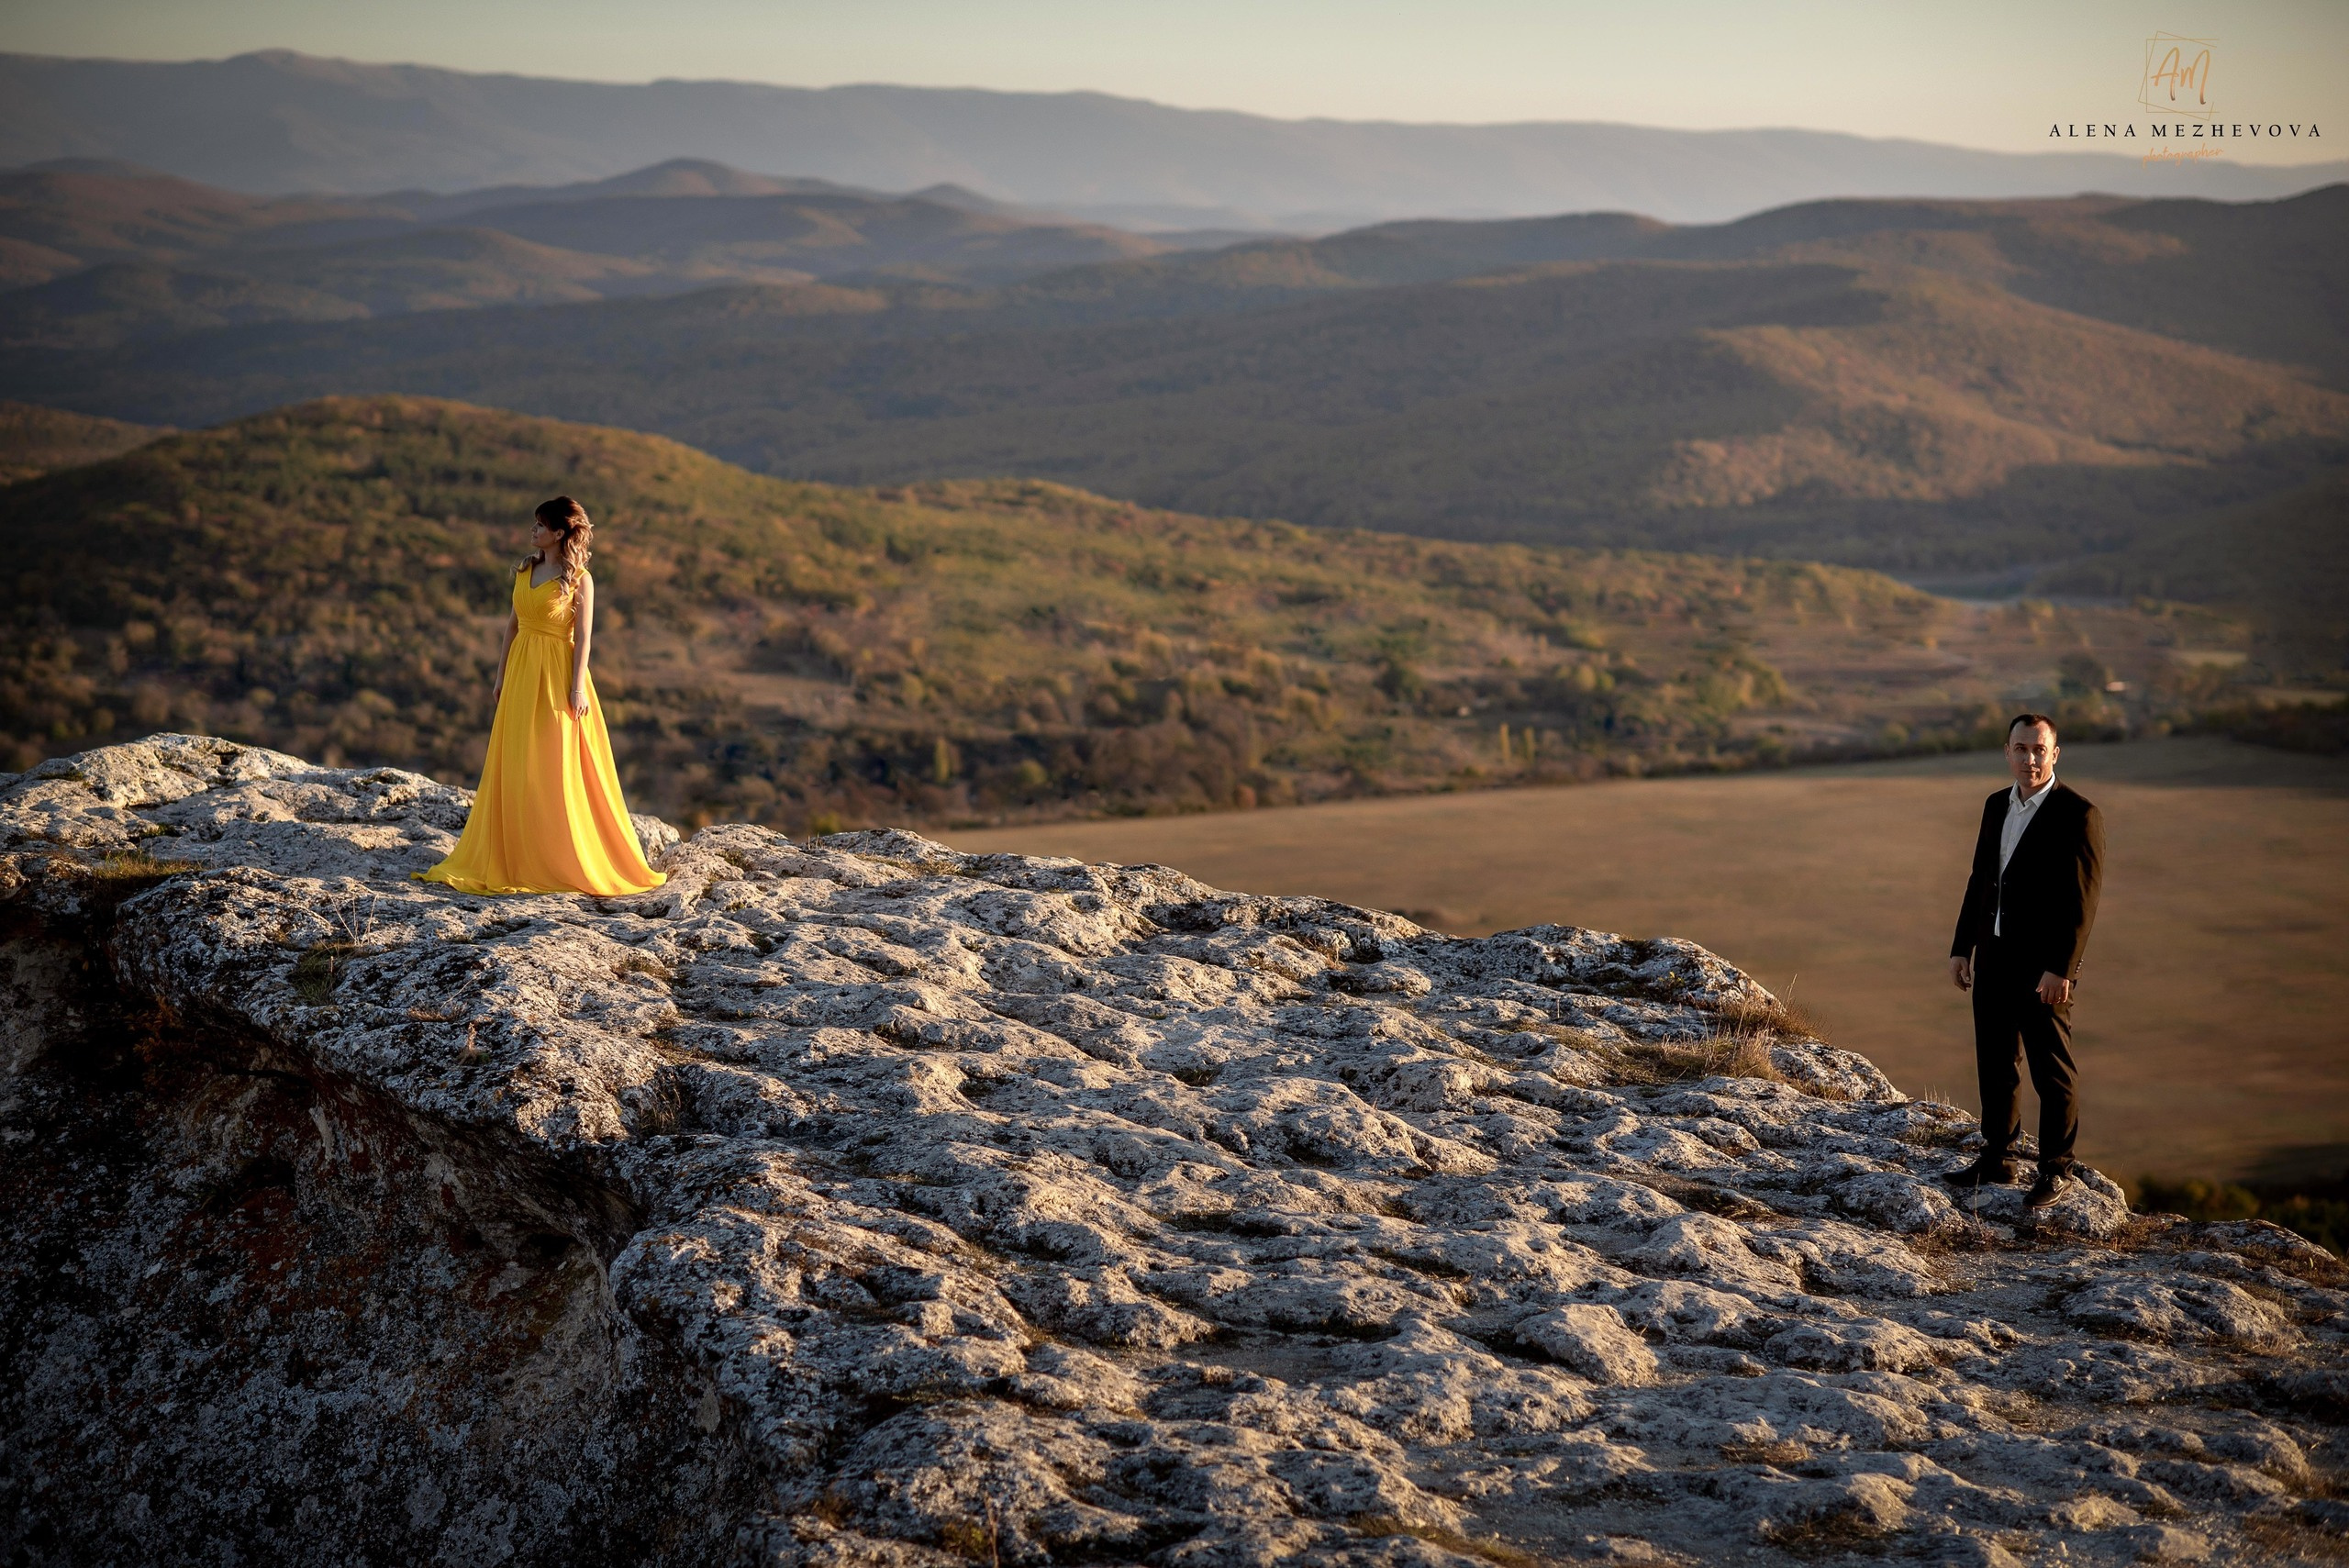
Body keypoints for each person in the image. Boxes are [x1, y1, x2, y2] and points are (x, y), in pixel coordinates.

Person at [416, 496, 667, 896]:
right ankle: (518, 851)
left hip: (557, 675)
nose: (533, 530)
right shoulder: (525, 571)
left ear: (561, 532)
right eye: (534, 523)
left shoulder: (580, 578)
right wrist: (500, 676)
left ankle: (560, 856)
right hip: (520, 674)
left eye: (541, 525)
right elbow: (511, 628)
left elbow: (583, 637)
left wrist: (578, 685)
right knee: (517, 761)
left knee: (554, 763)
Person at [1943, 713, 2103, 1207]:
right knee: (1995, 1061)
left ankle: (2056, 1169)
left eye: (2039, 749)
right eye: (2021, 749)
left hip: (2043, 971)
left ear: (2055, 754)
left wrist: (2063, 969)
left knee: (2051, 1071)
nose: (2029, 758)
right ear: (2007, 752)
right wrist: (1960, 948)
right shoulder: (1996, 805)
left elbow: (2083, 902)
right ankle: (1999, 1157)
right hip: (1993, 959)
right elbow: (1979, 881)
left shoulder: (2078, 814)